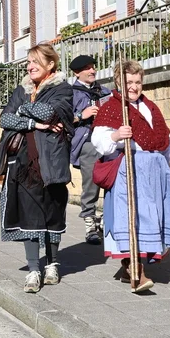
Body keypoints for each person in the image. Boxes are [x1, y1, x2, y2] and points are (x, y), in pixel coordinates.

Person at [91, 60, 170, 293]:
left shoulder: (150, 107)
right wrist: (116, 136)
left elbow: (163, 137)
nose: (133, 87)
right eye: (129, 82)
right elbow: (98, 141)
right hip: (129, 171)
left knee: (149, 220)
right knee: (132, 220)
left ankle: (129, 268)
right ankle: (136, 273)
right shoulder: (112, 107)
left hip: (153, 172)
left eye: (137, 82)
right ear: (118, 83)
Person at [0, 44, 74, 292]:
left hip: (51, 162)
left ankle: (52, 264)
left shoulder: (62, 88)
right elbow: (4, 119)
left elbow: (49, 112)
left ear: (50, 64)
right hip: (24, 163)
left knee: (53, 213)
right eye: (28, 62)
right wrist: (33, 124)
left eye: (35, 62)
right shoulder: (22, 89)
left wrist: (22, 110)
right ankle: (33, 269)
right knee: (29, 215)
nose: (30, 67)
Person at [69, 55, 111, 245]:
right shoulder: (70, 93)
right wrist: (81, 115)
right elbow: (61, 119)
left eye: (93, 67)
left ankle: (106, 219)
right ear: (77, 73)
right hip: (87, 142)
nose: (93, 71)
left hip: (108, 140)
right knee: (91, 183)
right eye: (87, 68)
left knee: (113, 180)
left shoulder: (104, 91)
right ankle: (90, 224)